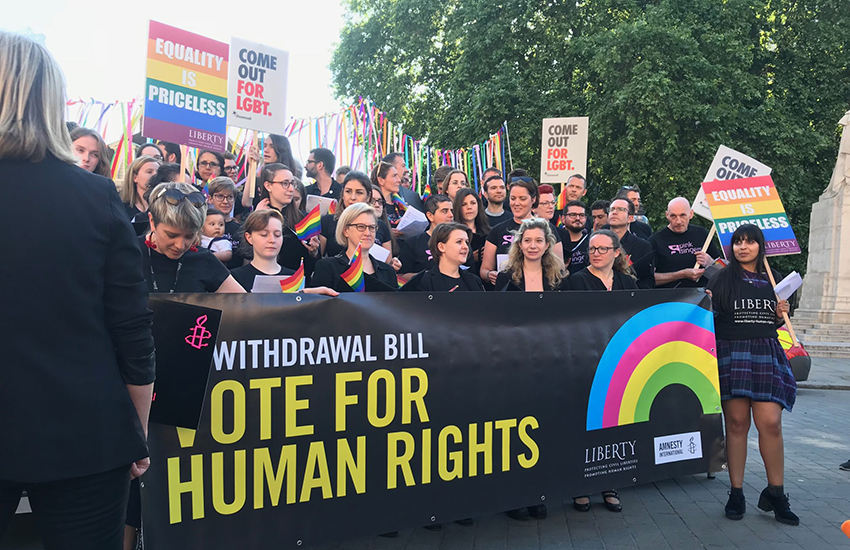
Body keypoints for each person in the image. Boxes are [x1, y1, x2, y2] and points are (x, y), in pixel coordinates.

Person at [0, 31, 155, 549]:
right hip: (86, 431)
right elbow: (131, 327)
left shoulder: (97, 194)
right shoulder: (95, 196)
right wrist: (137, 427)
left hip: (84, 435)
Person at [705, 224, 798, 525]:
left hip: (766, 354)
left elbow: (777, 323)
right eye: (738, 242)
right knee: (736, 423)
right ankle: (736, 492)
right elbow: (711, 319)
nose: (743, 247)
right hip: (732, 353)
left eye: (750, 242)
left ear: (761, 245)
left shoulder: (773, 280)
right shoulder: (720, 278)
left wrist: (781, 311)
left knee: (770, 423)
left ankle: (776, 492)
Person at [141, 182, 245, 294]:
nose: (180, 245)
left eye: (189, 236)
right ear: (152, 222)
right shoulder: (129, 255)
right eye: (172, 235)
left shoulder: (203, 259)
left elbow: (242, 303)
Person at [230, 209, 339, 296]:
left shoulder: (294, 277)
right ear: (249, 238)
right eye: (264, 234)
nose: (272, 240)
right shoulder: (234, 277)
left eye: (277, 235)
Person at [310, 203, 397, 290]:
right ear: (346, 231)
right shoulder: (327, 267)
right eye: (361, 227)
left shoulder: (388, 271)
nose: (368, 233)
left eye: (372, 227)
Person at [256, 163, 321, 275]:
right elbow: (247, 253)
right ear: (268, 186)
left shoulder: (304, 218)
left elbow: (314, 265)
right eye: (285, 184)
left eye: (292, 183)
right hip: (264, 280)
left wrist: (313, 252)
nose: (291, 189)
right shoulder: (256, 215)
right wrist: (257, 219)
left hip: (296, 283)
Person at [320, 171, 393, 262]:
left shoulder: (380, 226)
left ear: (368, 196)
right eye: (348, 191)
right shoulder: (327, 221)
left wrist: (394, 265)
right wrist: (313, 251)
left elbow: (388, 263)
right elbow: (317, 257)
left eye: (359, 193)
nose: (353, 197)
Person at [649, 197, 721, 288]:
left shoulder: (701, 233)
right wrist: (681, 274)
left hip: (702, 297)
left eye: (683, 215)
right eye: (673, 216)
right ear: (667, 215)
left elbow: (722, 270)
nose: (678, 221)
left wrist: (710, 262)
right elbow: (648, 279)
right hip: (670, 299)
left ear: (691, 214)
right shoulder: (655, 241)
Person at [496, 218, 566, 291]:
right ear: (520, 244)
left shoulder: (558, 278)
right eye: (527, 240)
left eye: (539, 241)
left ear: (546, 245)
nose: (533, 246)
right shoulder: (505, 277)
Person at [398, 194, 455, 280]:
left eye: (451, 211)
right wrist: (426, 276)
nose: (451, 215)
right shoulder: (413, 243)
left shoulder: (460, 240)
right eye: (444, 211)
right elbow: (401, 276)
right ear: (430, 216)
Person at [414, 223, 485, 291]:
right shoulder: (424, 282)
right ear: (441, 247)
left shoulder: (474, 281)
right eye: (459, 242)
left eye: (466, 242)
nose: (466, 247)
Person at [607, 197, 655, 288]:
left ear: (630, 218)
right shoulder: (596, 243)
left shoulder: (643, 246)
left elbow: (648, 281)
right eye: (612, 209)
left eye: (621, 209)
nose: (614, 212)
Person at [568, 230, 637, 291]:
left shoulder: (626, 281)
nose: (596, 253)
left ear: (616, 252)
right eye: (592, 249)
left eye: (603, 249)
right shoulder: (578, 280)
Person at [206, 176, 243, 268]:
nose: (225, 201)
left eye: (230, 197)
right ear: (210, 199)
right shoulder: (203, 226)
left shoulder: (240, 230)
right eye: (220, 196)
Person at [453, 187, 490, 274]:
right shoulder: (452, 234)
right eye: (463, 204)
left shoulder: (489, 232)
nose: (469, 207)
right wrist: (470, 258)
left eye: (473, 203)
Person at [119, 155, 161, 222]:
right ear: (135, 177)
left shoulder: (163, 206)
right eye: (149, 172)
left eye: (158, 172)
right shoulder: (121, 207)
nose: (155, 175)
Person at [371, 161, 405, 229]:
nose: (399, 180)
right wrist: (389, 233)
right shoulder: (373, 205)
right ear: (381, 180)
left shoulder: (400, 205)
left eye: (398, 176)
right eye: (394, 176)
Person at [561, 200, 589, 275]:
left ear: (585, 219)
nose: (577, 218)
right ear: (563, 219)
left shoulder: (591, 242)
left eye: (581, 215)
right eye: (573, 215)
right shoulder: (556, 241)